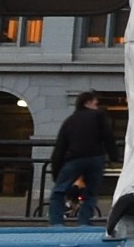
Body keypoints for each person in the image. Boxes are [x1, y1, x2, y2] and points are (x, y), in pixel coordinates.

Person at [47, 92, 116, 227]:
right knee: (91, 193)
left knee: (58, 191)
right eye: (95, 103)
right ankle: (84, 222)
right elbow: (108, 137)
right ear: (88, 102)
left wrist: (56, 172)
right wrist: (114, 157)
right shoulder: (99, 116)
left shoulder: (70, 120)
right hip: (96, 158)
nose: (96, 106)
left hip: (74, 159)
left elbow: (60, 147)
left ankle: (56, 223)